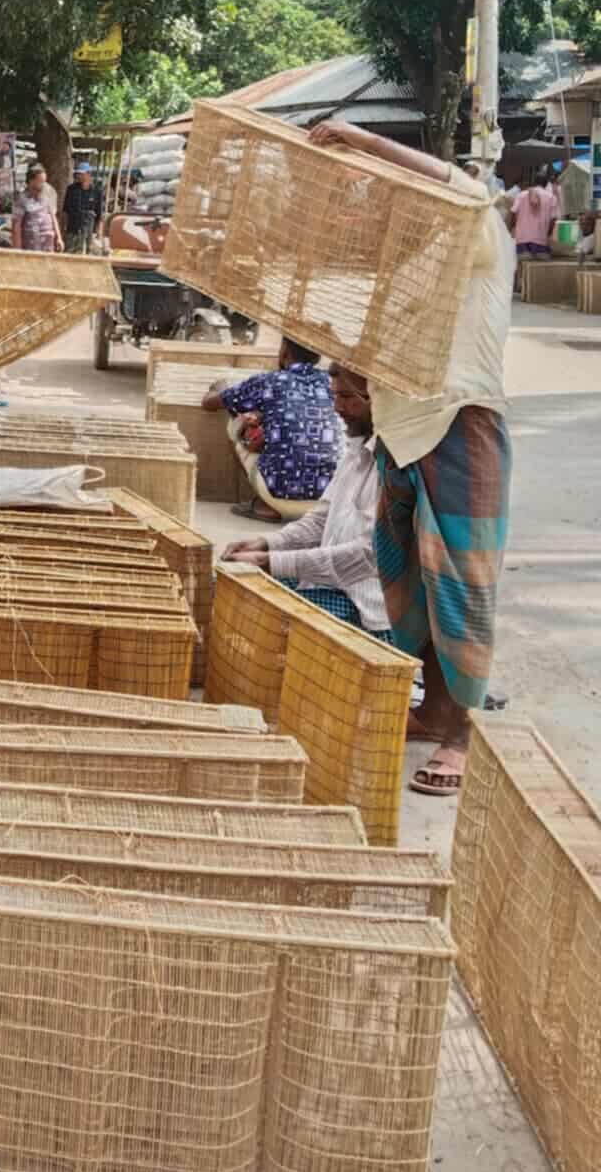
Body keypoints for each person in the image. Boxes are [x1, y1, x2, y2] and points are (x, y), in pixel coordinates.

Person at [310, 118, 514, 801]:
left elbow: (457, 184)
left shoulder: (481, 232)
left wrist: (361, 140)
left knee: (460, 584)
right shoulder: (414, 266)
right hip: (402, 435)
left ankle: (463, 734)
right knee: (412, 585)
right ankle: (433, 710)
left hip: (459, 427)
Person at [222, 365, 389, 634]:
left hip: (364, 607)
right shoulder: (356, 451)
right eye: (335, 396)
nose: (337, 407)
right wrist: (266, 543)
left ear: (379, 400)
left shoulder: (394, 469)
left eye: (347, 397)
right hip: (329, 587)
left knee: (260, 621)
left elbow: (367, 556)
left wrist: (269, 561)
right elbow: (319, 520)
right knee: (232, 590)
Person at [202, 338, 340, 522]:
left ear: (284, 351)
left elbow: (209, 403)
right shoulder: (332, 383)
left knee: (235, 422)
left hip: (280, 496)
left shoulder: (269, 381)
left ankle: (266, 506)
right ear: (318, 357)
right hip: (328, 500)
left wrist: (220, 387)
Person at [12, 162, 63, 253]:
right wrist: (17, 249)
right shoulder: (22, 199)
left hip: (48, 244)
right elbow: (16, 225)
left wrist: (59, 238)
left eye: (44, 181)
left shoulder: (48, 193)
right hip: (31, 245)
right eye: (41, 181)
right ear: (31, 181)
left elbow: (53, 216)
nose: (44, 184)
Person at [511, 170, 558, 257]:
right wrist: (548, 233)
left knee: (522, 262)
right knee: (541, 261)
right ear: (546, 184)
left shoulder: (521, 195)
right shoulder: (551, 197)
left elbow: (513, 213)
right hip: (540, 242)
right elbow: (553, 219)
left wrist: (513, 228)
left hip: (522, 241)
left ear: (534, 182)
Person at [63, 161, 101, 254]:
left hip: (88, 232)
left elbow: (99, 213)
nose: (79, 176)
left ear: (88, 174)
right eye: (78, 173)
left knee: (86, 255)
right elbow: (66, 210)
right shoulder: (71, 189)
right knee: (69, 254)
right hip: (72, 230)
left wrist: (98, 231)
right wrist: (63, 228)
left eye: (81, 174)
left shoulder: (96, 191)